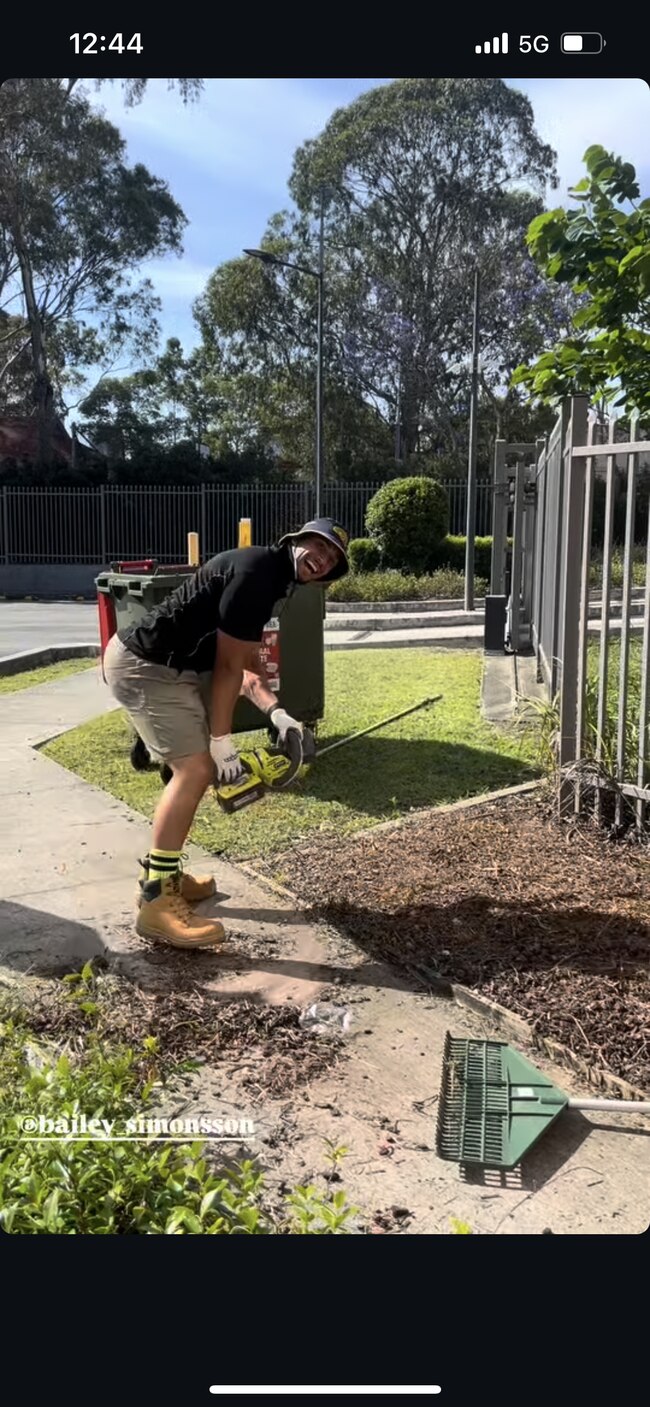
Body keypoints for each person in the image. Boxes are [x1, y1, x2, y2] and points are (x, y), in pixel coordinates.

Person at [102, 517, 350, 949]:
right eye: (319, 545)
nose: (322, 559)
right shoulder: (256, 574)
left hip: (171, 669)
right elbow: (227, 670)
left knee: (195, 770)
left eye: (331, 558)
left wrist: (278, 715)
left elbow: (247, 668)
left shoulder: (273, 579)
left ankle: (168, 874)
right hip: (147, 669)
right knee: (195, 771)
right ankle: (156, 900)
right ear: (296, 540)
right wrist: (223, 744)